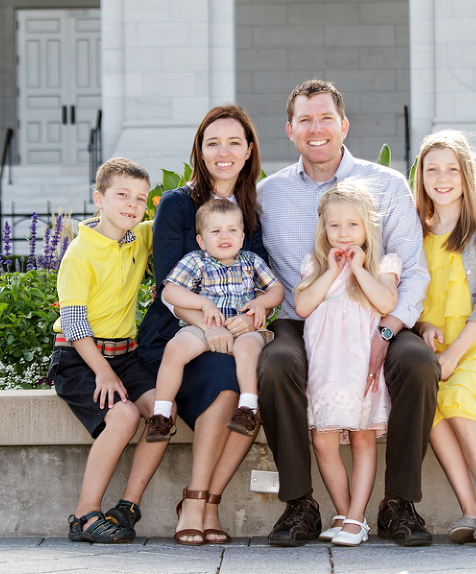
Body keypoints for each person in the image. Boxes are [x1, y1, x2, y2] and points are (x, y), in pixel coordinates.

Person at [257, 79, 440, 547]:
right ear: (290, 129)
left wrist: (388, 328)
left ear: (343, 125)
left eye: (325, 118)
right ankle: (301, 504)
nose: (316, 129)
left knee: (418, 364)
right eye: (305, 120)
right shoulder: (267, 194)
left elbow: (412, 271)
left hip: (378, 313)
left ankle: (398, 502)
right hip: (302, 318)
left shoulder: (387, 185)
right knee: (277, 366)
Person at [137, 105, 267, 545]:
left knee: (253, 381)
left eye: (234, 142)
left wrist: (249, 318)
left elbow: (263, 279)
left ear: (249, 151)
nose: (223, 151)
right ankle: (196, 500)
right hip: (178, 331)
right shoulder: (176, 204)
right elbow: (168, 285)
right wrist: (210, 327)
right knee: (224, 380)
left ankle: (209, 500)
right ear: (200, 150)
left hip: (232, 328)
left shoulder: (252, 207)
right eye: (213, 142)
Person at [49, 157, 167, 543]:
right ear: (99, 199)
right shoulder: (79, 254)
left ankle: (127, 506)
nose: (131, 205)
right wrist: (102, 370)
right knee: (124, 416)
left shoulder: (140, 238)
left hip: (125, 354)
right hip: (79, 357)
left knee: (163, 413)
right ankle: (84, 515)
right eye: (122, 195)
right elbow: (75, 322)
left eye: (140, 198)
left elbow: (176, 218)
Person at [412, 130, 476, 543]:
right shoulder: (415, 228)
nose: (442, 178)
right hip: (431, 346)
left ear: (466, 175)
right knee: (431, 407)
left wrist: (454, 354)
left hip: (473, 344)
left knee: (456, 397)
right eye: (432, 169)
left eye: (451, 169)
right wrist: (422, 327)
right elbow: (406, 295)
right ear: (420, 176)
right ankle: (470, 512)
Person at [294, 183, 401, 546]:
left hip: (360, 370)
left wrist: (357, 269)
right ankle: (344, 512)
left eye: (353, 226)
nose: (343, 233)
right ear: (323, 229)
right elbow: (303, 307)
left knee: (362, 439)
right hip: (324, 370)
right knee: (322, 442)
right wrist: (330, 270)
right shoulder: (314, 265)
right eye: (335, 226)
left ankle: (358, 518)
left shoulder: (383, 265)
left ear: (367, 228)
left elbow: (387, 303)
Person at [146, 199, 284, 441]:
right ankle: (162, 415)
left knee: (250, 346)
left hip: (242, 327)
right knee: (175, 348)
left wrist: (261, 303)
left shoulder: (251, 262)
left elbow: (277, 290)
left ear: (242, 238)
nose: (225, 236)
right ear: (201, 240)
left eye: (232, 230)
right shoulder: (195, 261)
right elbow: (169, 292)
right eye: (215, 231)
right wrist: (203, 303)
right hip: (205, 327)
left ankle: (248, 409)